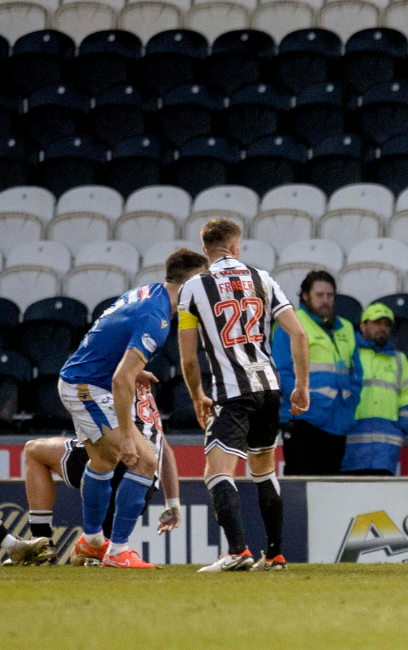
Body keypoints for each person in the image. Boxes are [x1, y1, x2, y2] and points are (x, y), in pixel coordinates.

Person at [55, 247, 208, 569]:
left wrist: (133, 369)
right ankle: (118, 551)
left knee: (103, 460)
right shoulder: (157, 318)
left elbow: (105, 337)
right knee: (144, 460)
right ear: (190, 282)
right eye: (203, 284)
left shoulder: (146, 292)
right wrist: (126, 435)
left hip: (80, 378)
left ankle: (93, 542)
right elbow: (122, 379)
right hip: (88, 387)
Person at [178, 218, 311, 572]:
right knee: (263, 470)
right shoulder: (263, 279)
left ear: (205, 251)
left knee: (216, 472)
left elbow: (188, 358)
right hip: (268, 388)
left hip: (231, 392)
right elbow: (298, 335)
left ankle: (237, 551)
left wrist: (197, 397)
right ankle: (276, 555)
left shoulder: (192, 289)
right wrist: (302, 385)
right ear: (236, 246)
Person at [21, 385, 182, 565]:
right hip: (143, 484)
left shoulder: (114, 374)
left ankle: (40, 543)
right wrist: (173, 503)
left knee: (34, 450)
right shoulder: (146, 395)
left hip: (119, 460)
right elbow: (165, 451)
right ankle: (101, 553)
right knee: (82, 556)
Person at [273, 270, 360, 475]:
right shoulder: (291, 324)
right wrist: (300, 400)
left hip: (338, 420)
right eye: (319, 295)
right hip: (304, 420)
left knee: (330, 491)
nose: (325, 300)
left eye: (330, 296)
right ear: (305, 296)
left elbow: (356, 372)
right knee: (301, 489)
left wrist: (351, 400)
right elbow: (281, 371)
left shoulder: (346, 327)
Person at [340, 303, 408, 476]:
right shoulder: (348, 354)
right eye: (377, 323)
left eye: (386, 324)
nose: (382, 328)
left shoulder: (399, 359)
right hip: (350, 449)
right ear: (363, 325)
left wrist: (402, 424)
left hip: (386, 452)